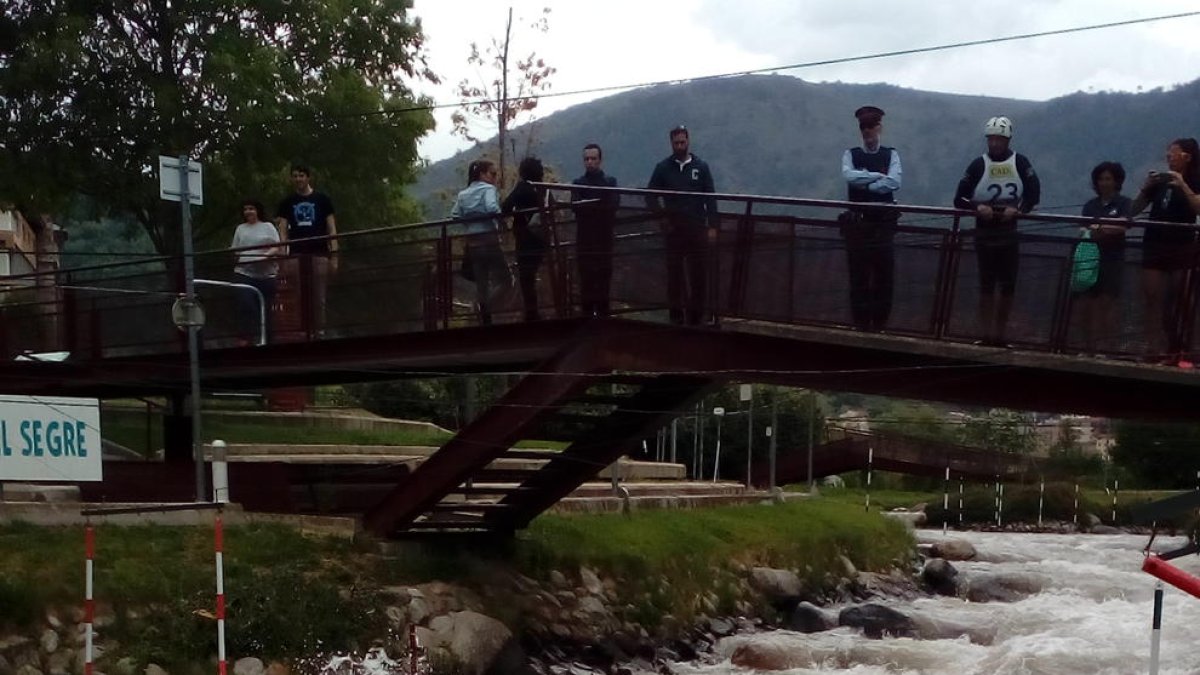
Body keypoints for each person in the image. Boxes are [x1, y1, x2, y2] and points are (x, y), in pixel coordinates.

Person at [953, 116, 1041, 347]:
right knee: (986, 284)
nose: (994, 144)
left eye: (999, 139)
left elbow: (1033, 192)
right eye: (991, 139)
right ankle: (985, 334)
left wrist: (1019, 210)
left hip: (1009, 231)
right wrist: (977, 207)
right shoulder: (978, 164)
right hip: (984, 231)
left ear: (1008, 139)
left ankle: (1001, 335)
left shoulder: (1020, 162)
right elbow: (959, 198)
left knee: (1007, 285)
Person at [1129, 138, 1200, 364]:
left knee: (1183, 300)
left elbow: (1197, 207)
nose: (1168, 157)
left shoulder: (1195, 179)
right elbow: (1133, 210)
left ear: (1187, 156)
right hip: (1155, 244)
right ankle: (1153, 348)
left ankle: (1184, 349)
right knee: (1152, 299)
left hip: (1183, 246)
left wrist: (1183, 185)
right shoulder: (1161, 182)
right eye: (1168, 153)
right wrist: (1146, 187)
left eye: (1173, 153)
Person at [646, 125, 719, 325]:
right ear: (671, 144)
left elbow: (710, 198)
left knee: (698, 275)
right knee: (674, 275)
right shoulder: (663, 168)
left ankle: (696, 317)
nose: (680, 145)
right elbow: (650, 195)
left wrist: (712, 226)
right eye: (676, 143)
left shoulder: (701, 167)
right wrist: (662, 218)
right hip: (674, 230)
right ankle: (676, 316)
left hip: (697, 228)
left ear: (688, 141)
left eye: (683, 142)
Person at [840, 105, 902, 331]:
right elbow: (849, 176)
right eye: (863, 127)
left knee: (884, 275)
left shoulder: (891, 153)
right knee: (859, 275)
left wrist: (866, 183)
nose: (867, 131)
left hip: (884, 222)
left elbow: (894, 182)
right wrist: (877, 177)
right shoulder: (851, 154)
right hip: (858, 222)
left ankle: (880, 323)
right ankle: (861, 323)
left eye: (871, 126)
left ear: (879, 128)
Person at [1073, 162, 1133, 355]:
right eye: (1101, 179)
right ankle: (1087, 346)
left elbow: (1123, 226)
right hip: (1090, 259)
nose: (1104, 183)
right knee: (1087, 304)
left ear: (1117, 181)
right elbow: (1082, 228)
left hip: (1112, 258)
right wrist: (1100, 229)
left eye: (1108, 179)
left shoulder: (1124, 203)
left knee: (1107, 303)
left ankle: (1106, 348)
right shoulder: (1091, 205)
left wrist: (1099, 228)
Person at [275, 165, 337, 336]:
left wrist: (334, 256)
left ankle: (320, 331)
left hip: (319, 253)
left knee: (319, 296)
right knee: (299, 296)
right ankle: (303, 331)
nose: (298, 179)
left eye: (301, 176)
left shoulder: (322, 199)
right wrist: (283, 256)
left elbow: (332, 228)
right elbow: (283, 231)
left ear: (308, 177)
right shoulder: (287, 202)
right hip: (296, 254)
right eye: (295, 176)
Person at [451, 159, 511, 325]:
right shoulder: (488, 189)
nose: (495, 177)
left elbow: (455, 214)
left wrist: (470, 221)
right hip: (489, 240)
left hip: (472, 244)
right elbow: (492, 207)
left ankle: (485, 319)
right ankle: (483, 307)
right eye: (492, 173)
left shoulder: (463, 194)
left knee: (482, 284)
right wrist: (501, 222)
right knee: (506, 280)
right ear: (482, 174)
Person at [572, 143, 619, 317]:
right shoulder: (578, 183)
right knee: (587, 280)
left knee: (603, 278)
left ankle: (602, 316)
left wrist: (590, 207)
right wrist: (600, 205)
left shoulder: (609, 182)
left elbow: (613, 206)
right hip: (586, 240)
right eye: (587, 159)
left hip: (603, 239)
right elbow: (576, 208)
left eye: (593, 159)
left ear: (600, 160)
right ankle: (588, 318)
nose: (590, 162)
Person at [502, 156, 547, 321]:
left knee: (526, 277)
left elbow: (505, 207)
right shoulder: (542, 189)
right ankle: (533, 313)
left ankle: (531, 314)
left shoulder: (522, 188)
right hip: (541, 238)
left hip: (525, 238)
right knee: (531, 275)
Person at [231, 199, 281, 345]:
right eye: (246, 209)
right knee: (247, 304)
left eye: (251, 208)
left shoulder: (268, 226)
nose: (248, 212)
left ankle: (267, 340)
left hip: (266, 274)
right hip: (244, 272)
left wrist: (265, 256)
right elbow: (235, 249)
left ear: (258, 210)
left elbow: (277, 246)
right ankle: (246, 338)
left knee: (265, 309)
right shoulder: (241, 228)